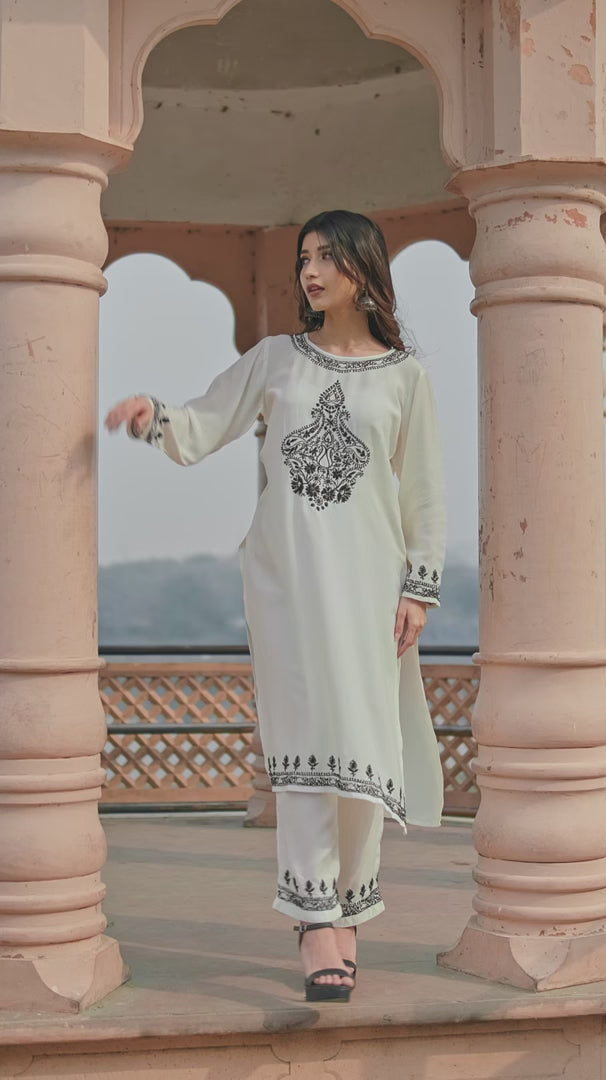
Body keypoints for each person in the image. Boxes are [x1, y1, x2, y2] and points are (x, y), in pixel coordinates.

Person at [105, 209, 447, 1003]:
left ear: (364, 268)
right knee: (304, 746)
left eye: (328, 257)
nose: (311, 272)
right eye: (303, 258)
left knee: (362, 747)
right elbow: (202, 426)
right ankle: (315, 917)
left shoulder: (405, 377)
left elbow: (425, 492)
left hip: (371, 587)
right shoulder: (275, 361)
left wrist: (420, 588)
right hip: (288, 583)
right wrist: (154, 418)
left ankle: (350, 905)